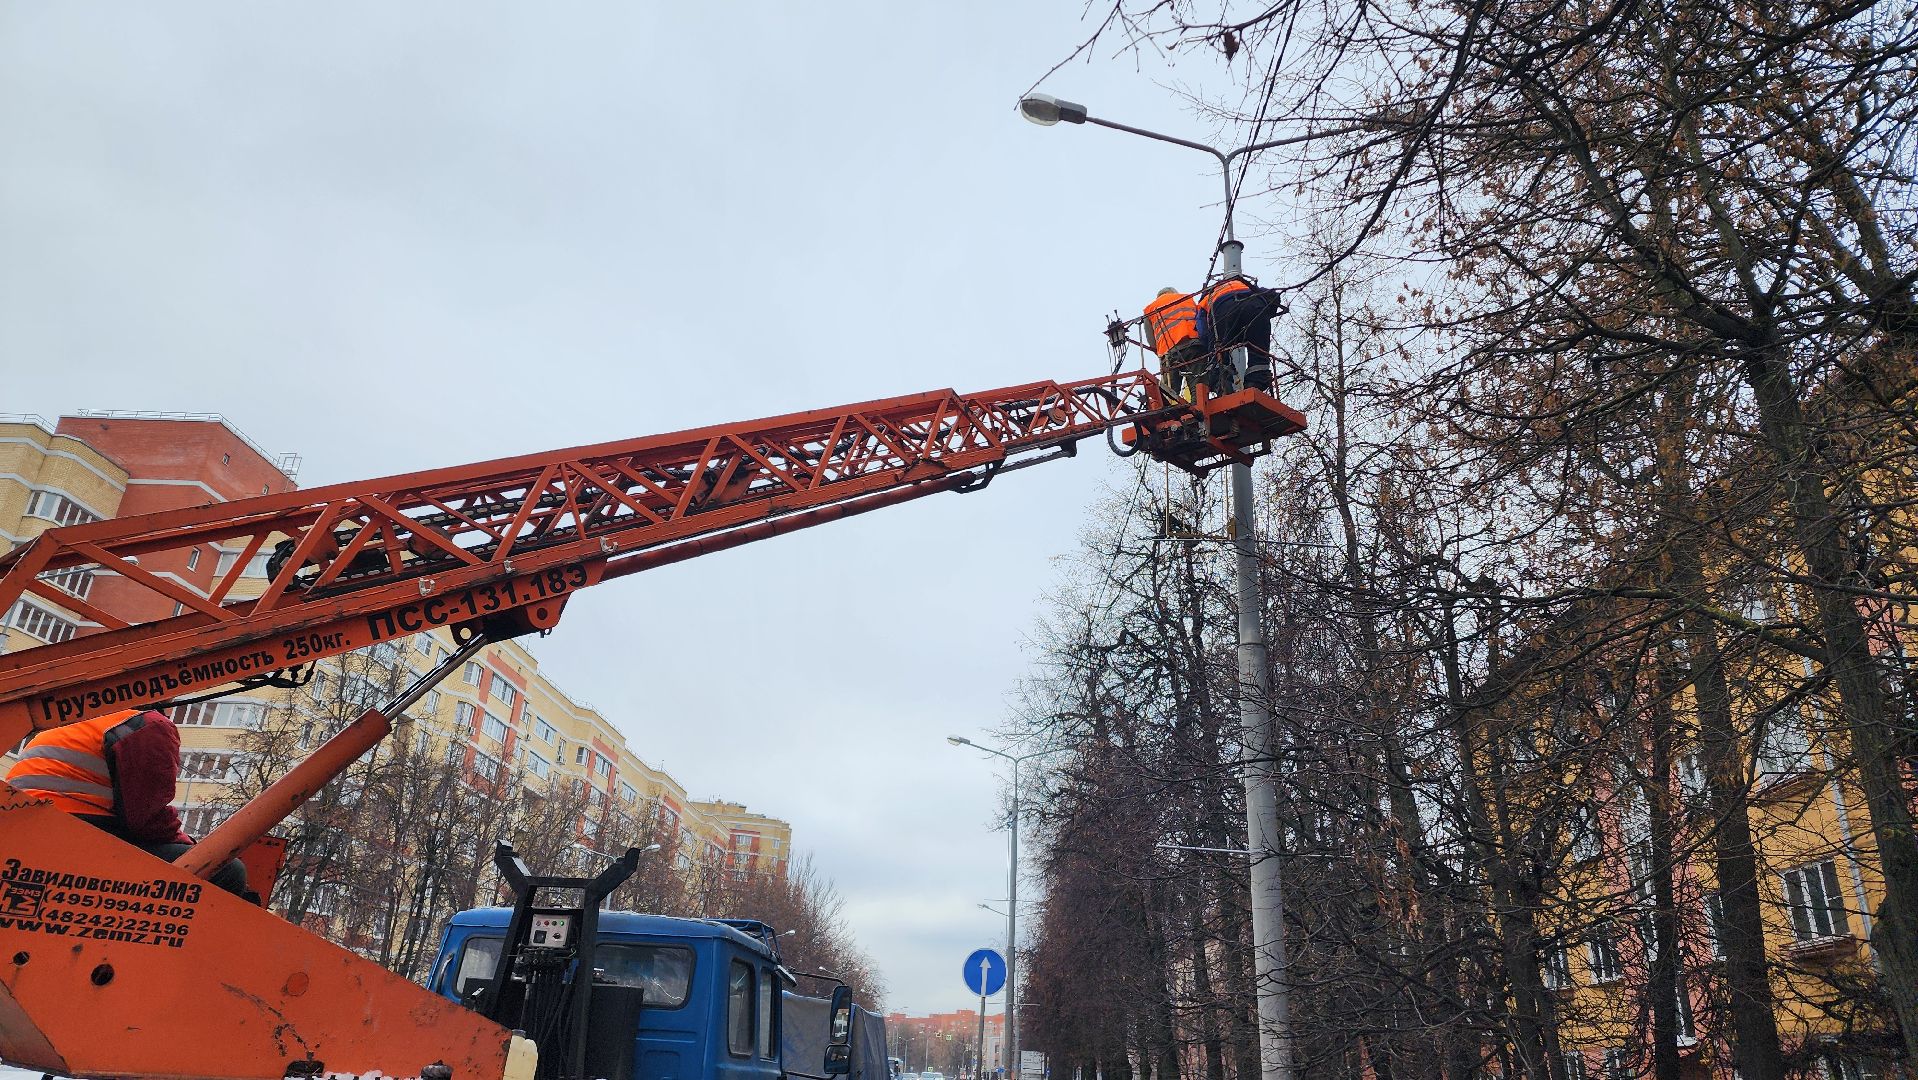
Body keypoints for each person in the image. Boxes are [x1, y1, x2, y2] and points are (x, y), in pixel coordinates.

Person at [5, 707, 250, 897]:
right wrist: (196, 847)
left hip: (23, 835)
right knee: (226, 871)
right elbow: (147, 818)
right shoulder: (146, 726)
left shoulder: (65, 728)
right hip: (79, 836)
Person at [1200, 275, 1285, 392]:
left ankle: (1222, 385)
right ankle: (1255, 384)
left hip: (1222, 307)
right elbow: (1271, 295)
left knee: (1219, 354)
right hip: (1256, 303)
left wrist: (1207, 350)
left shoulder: (1207, 297)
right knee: (1258, 351)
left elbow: (1203, 329)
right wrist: (1265, 318)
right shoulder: (1244, 285)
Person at [1141, 286, 1210, 400]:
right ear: (1173, 293)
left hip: (1168, 353)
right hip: (1193, 345)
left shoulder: (1150, 309)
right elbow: (1201, 322)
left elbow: (1151, 341)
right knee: (1198, 386)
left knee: (1169, 392)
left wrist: (1161, 353)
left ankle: (1169, 414)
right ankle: (1198, 413)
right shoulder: (1187, 298)